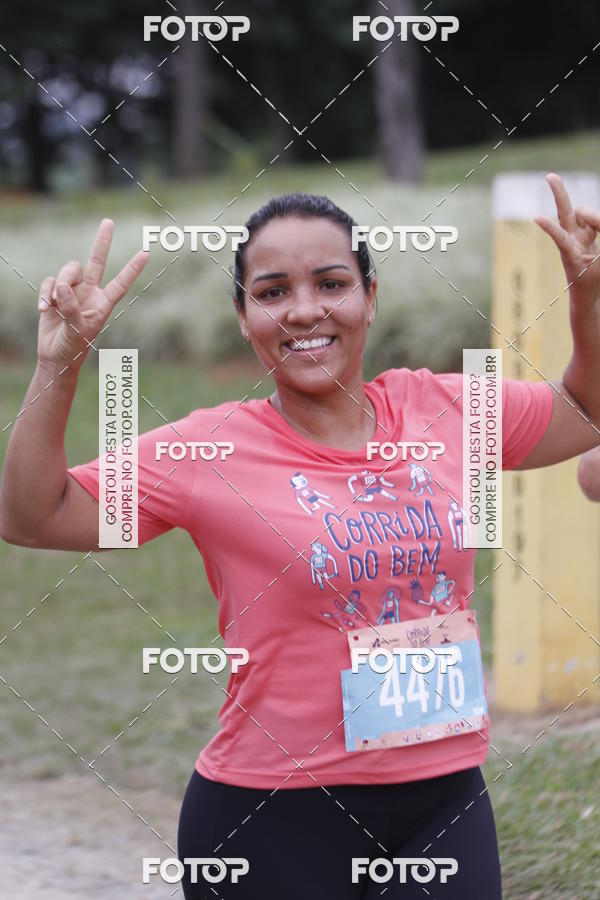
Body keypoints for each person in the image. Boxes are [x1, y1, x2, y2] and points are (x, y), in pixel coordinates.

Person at [1, 173, 599, 899]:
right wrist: (59, 365)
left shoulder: (443, 406)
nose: (305, 310)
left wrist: (588, 299)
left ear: (370, 299)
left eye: (331, 282)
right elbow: (34, 515)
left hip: (443, 800)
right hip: (271, 813)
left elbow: (582, 410)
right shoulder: (208, 450)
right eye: (273, 291)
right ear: (243, 315)